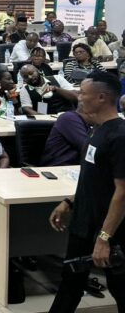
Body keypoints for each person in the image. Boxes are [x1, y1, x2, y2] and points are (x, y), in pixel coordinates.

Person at [47, 71, 125, 312]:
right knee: (70, 283)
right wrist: (69, 202)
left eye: (83, 93)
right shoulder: (95, 130)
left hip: (109, 230)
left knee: (121, 288)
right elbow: (94, 179)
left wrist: (104, 238)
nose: (78, 97)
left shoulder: (120, 136)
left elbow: (122, 193)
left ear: (101, 97)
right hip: (83, 223)